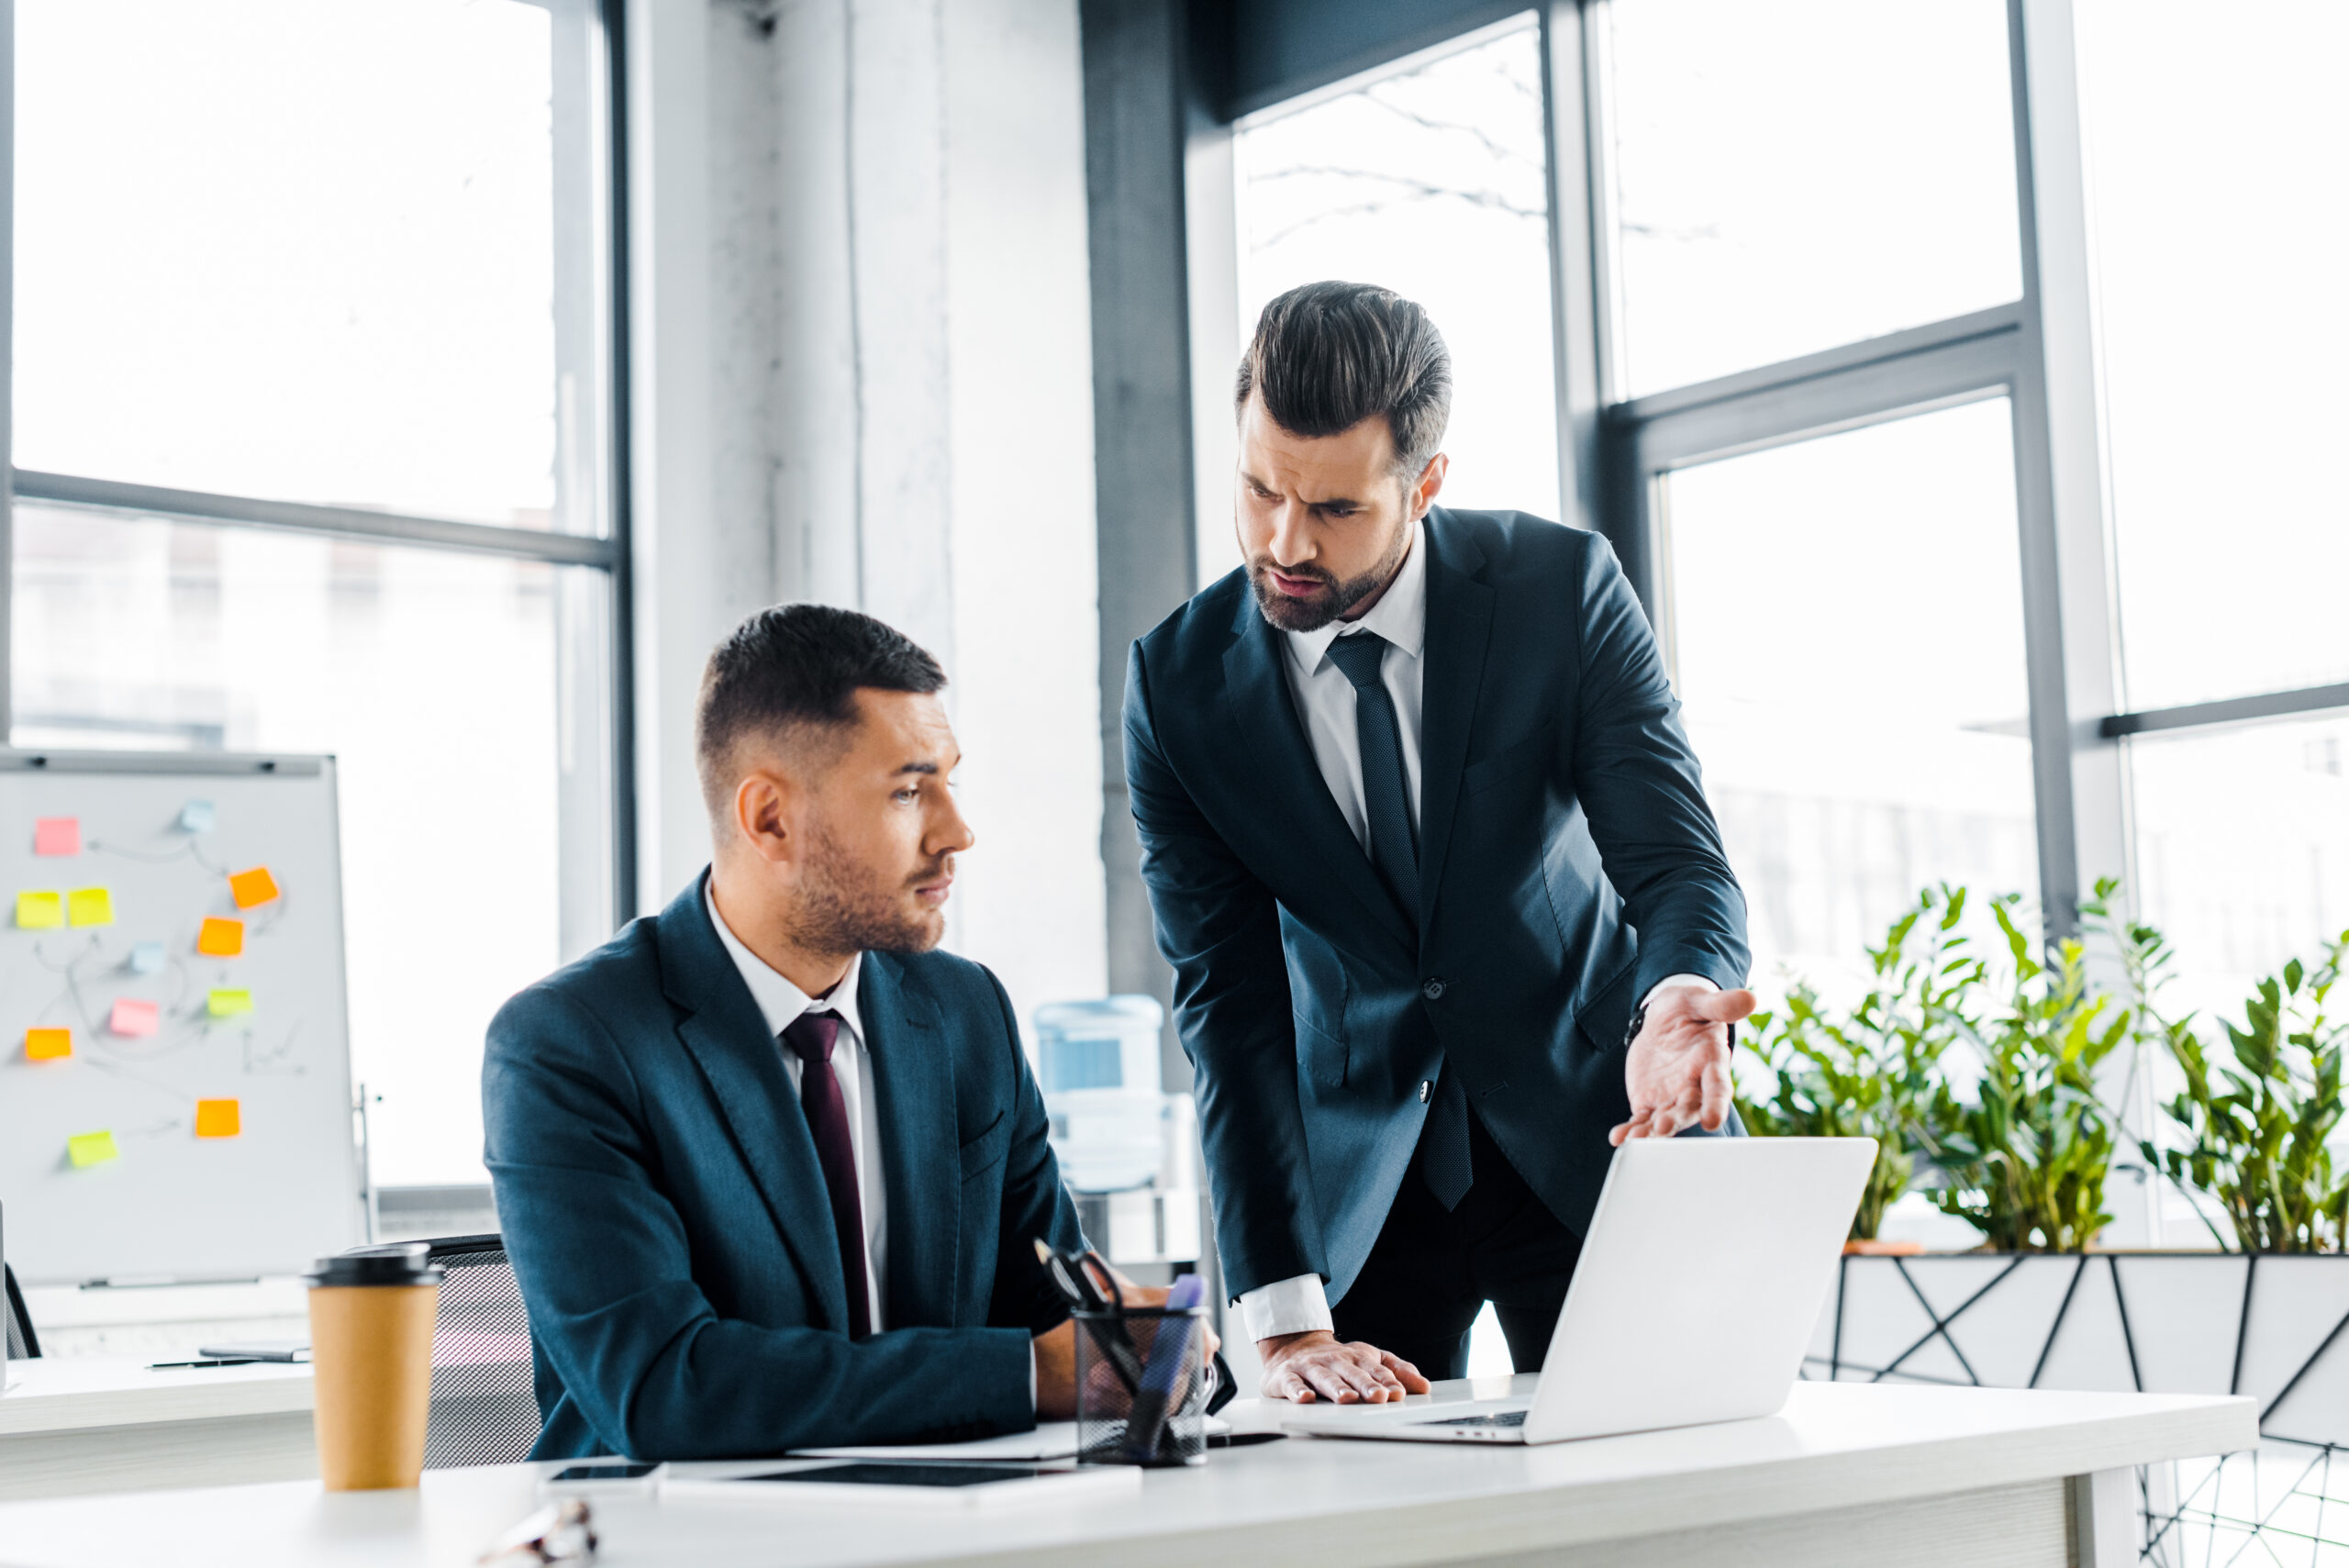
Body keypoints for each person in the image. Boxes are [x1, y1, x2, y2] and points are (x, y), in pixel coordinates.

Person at [1124, 280, 1755, 1405]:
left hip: (1597, 1127)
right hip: (1361, 1185)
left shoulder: (1558, 591)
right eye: (1260, 489)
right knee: (1352, 1494)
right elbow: (1228, 999)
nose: (1283, 541)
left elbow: (1674, 863)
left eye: (1334, 508)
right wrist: (1282, 1317)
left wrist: (1675, 999)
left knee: (1677, 1470)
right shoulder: (1177, 686)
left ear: (1423, 484)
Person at [486, 605, 1149, 1459]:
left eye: (949, 782)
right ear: (769, 818)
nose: (957, 832)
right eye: (907, 790)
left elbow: (1059, 1316)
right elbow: (661, 1387)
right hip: (678, 1525)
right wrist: (1027, 1375)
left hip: (949, 1516)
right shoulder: (568, 1045)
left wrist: (1149, 1351)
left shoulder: (966, 1013)